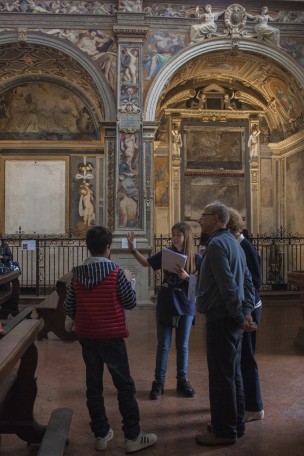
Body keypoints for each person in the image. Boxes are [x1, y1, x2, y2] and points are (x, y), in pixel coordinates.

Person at [63, 225, 157, 453]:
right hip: (111, 336)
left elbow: (69, 306)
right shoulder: (115, 273)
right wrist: (130, 280)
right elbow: (130, 302)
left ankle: (101, 434)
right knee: (124, 386)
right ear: (108, 248)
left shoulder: (77, 275)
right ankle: (133, 436)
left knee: (93, 386)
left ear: (88, 247)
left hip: (87, 336)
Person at [195, 201, 256, 446]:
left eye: (204, 215)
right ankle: (235, 423)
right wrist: (246, 311)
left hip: (222, 318)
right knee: (233, 374)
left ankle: (224, 430)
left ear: (218, 219)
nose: (200, 219)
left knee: (221, 377)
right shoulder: (234, 242)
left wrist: (241, 316)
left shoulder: (218, 244)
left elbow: (228, 285)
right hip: (232, 318)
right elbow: (249, 283)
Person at [127, 223, 202, 400]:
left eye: (178, 235)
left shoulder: (197, 258)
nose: (175, 238)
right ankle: (158, 382)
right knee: (163, 346)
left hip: (186, 304)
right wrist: (133, 250)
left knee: (182, 346)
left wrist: (187, 277)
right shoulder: (167, 253)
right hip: (167, 303)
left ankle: (182, 380)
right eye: (173, 235)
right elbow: (146, 263)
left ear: (187, 236)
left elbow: (201, 285)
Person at [226, 207, 264, 422]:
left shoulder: (245, 247)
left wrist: (246, 311)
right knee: (241, 360)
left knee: (247, 360)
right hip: (244, 309)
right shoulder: (236, 244)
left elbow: (256, 281)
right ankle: (242, 403)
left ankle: (254, 406)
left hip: (250, 310)